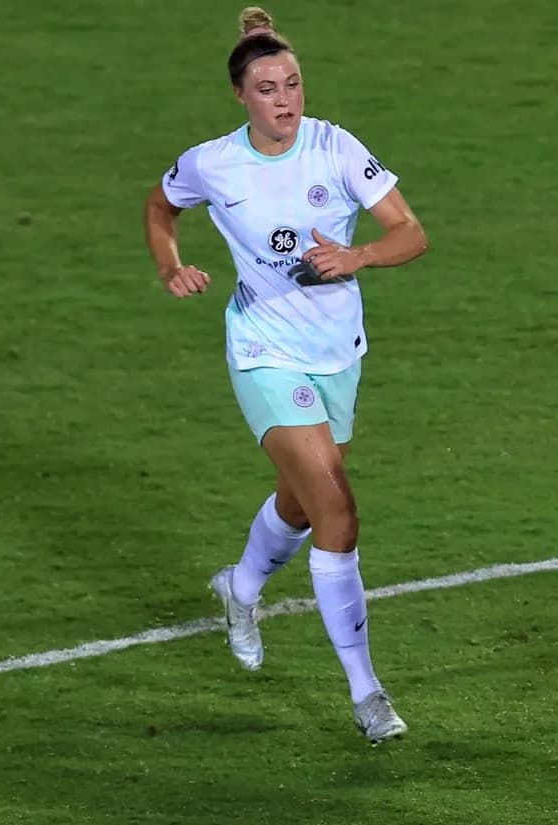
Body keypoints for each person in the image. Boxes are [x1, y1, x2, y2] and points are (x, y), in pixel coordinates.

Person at [141, 7, 429, 743]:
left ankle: (240, 587)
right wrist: (171, 266)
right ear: (241, 95)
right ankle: (368, 695)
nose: (286, 99)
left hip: (338, 351)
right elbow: (160, 206)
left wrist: (357, 256)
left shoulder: (335, 148)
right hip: (264, 351)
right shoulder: (213, 162)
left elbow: (411, 232)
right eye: (268, 88)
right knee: (337, 508)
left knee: (301, 505)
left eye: (293, 84)